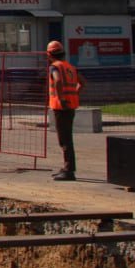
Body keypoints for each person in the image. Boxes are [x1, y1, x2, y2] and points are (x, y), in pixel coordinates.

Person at [46, 40, 85, 181]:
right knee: (66, 138)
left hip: (61, 107)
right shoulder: (70, 67)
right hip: (70, 106)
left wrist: (62, 99)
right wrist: (74, 95)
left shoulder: (54, 67)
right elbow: (82, 82)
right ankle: (66, 168)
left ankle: (69, 170)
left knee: (65, 140)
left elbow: (57, 81)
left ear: (49, 54)